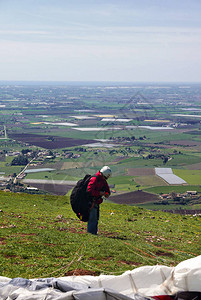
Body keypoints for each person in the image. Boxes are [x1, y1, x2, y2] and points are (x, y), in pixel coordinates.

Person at [87, 166, 112, 235]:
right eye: (105, 177)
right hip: (91, 201)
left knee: (95, 218)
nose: (105, 179)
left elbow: (107, 189)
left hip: (96, 201)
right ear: (102, 174)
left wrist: (107, 194)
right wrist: (100, 193)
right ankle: (91, 234)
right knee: (92, 218)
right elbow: (89, 191)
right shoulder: (94, 179)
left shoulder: (102, 180)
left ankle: (93, 233)